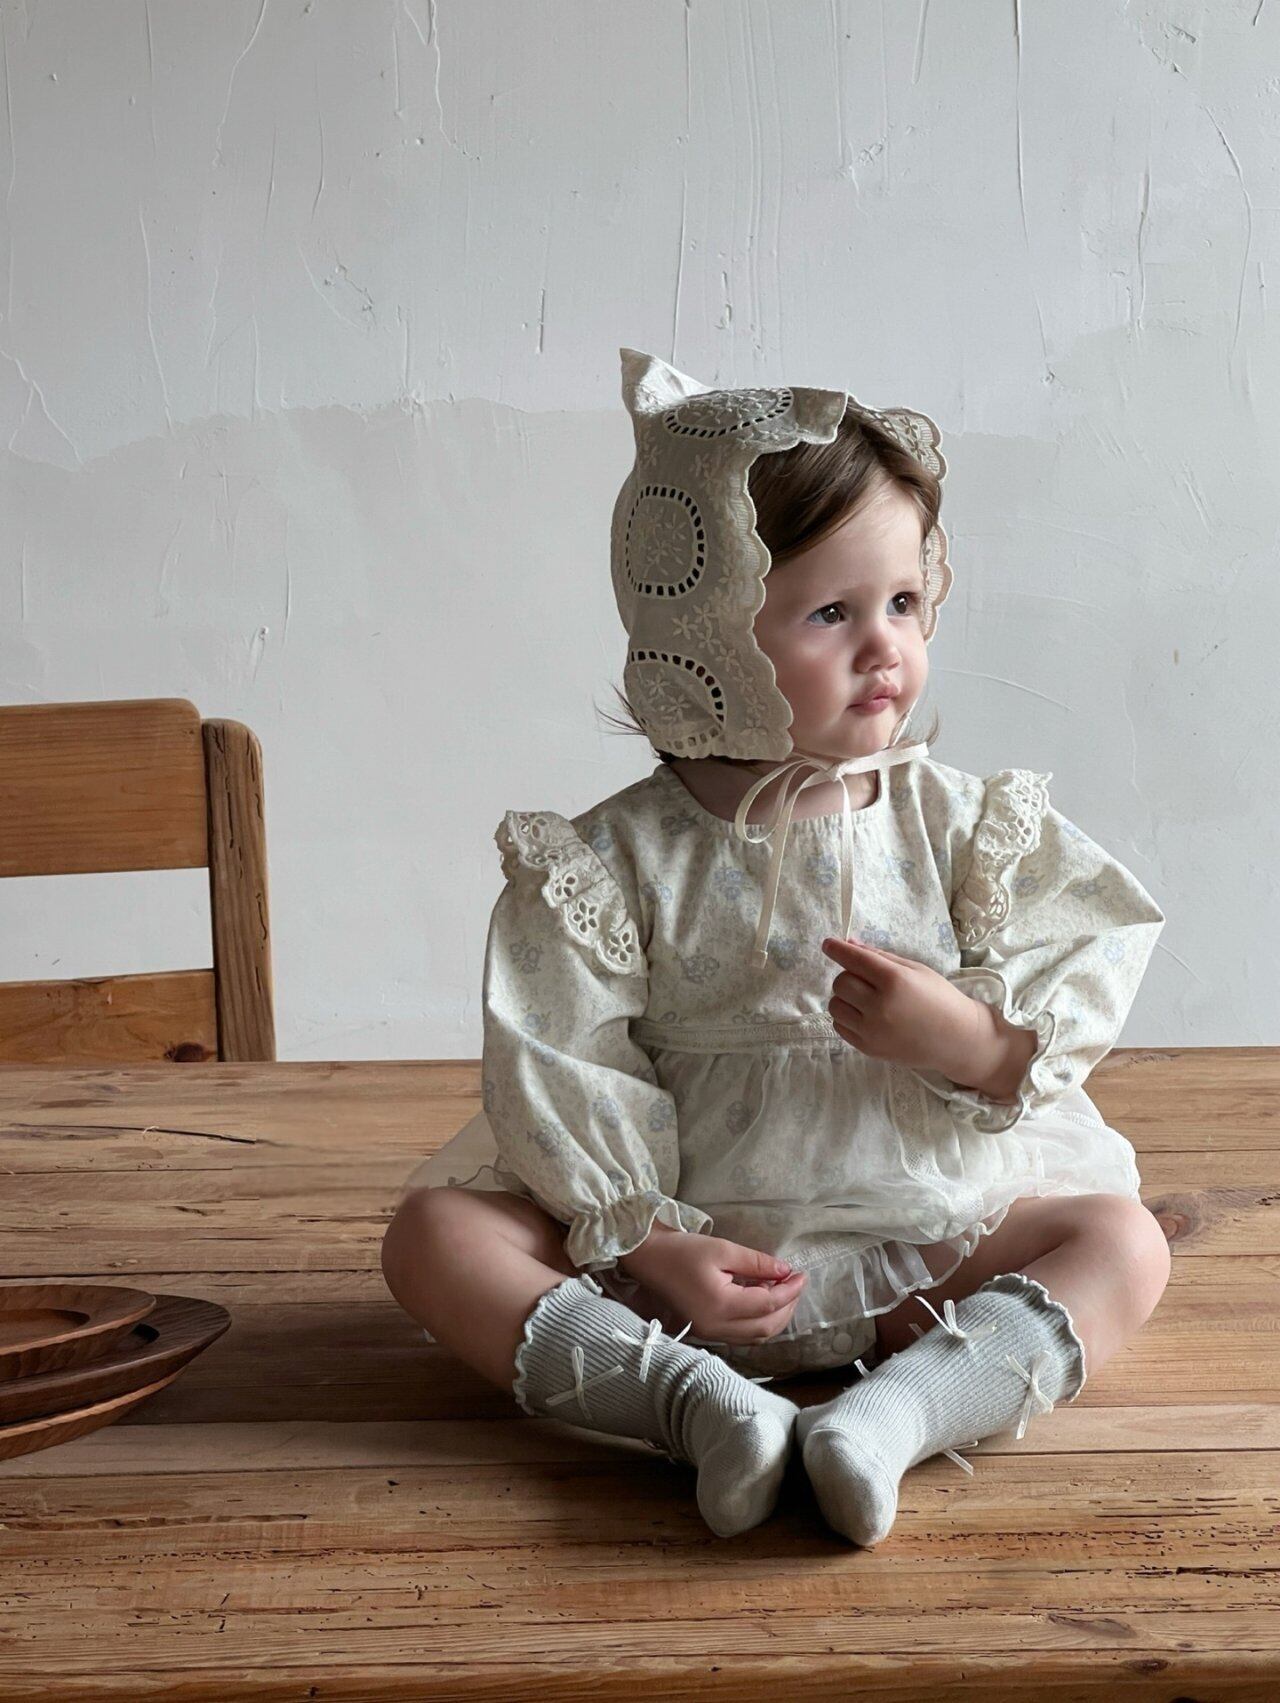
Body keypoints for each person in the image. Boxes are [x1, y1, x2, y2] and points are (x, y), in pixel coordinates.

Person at [381, 347, 1170, 1547]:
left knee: (1122, 1240)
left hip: (923, 1249)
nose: (884, 646)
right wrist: (650, 1242)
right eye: (830, 613)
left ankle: (897, 1412)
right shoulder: (613, 860)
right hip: (684, 1271)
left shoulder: (957, 826)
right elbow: (561, 1059)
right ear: (705, 631)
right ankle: (693, 1404)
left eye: (900, 601)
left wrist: (968, 1039)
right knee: (434, 1237)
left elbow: (1083, 957)